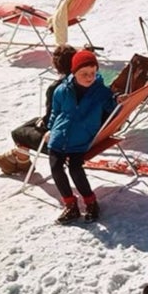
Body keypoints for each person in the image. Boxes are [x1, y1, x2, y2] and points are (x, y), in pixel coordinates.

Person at [42, 47, 113, 225]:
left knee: (75, 169)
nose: (89, 77)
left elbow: (113, 108)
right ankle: (70, 204)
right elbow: (55, 112)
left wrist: (119, 100)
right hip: (59, 135)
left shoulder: (101, 92)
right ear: (74, 72)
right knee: (56, 168)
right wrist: (50, 129)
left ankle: (91, 202)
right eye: (84, 74)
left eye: (93, 73)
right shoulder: (61, 90)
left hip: (81, 138)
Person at [0, 45, 77, 176]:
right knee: (34, 121)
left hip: (65, 144)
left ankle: (19, 161)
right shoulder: (87, 82)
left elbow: (52, 123)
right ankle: (16, 161)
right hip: (86, 135)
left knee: (18, 133)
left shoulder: (58, 88)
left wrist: (42, 124)